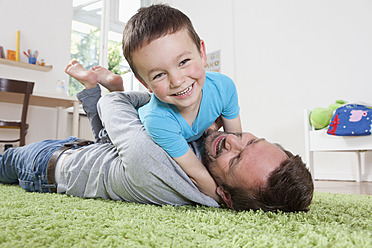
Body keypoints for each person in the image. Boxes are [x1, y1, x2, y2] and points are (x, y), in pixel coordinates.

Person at [0, 59, 314, 212]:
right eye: (251, 140)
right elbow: (112, 144)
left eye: (235, 159)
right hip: (96, 153)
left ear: (226, 196)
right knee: (115, 141)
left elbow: (116, 106)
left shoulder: (155, 166)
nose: (232, 139)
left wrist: (134, 95)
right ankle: (93, 87)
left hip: (44, 166)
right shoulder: (205, 163)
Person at [123, 4, 242, 201]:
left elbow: (236, 139)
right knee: (104, 135)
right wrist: (225, 199)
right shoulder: (158, 120)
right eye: (159, 74)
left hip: (187, 136)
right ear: (145, 83)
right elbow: (196, 173)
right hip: (138, 127)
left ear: (202, 53)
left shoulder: (224, 88)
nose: (177, 81)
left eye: (183, 62)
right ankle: (106, 89)